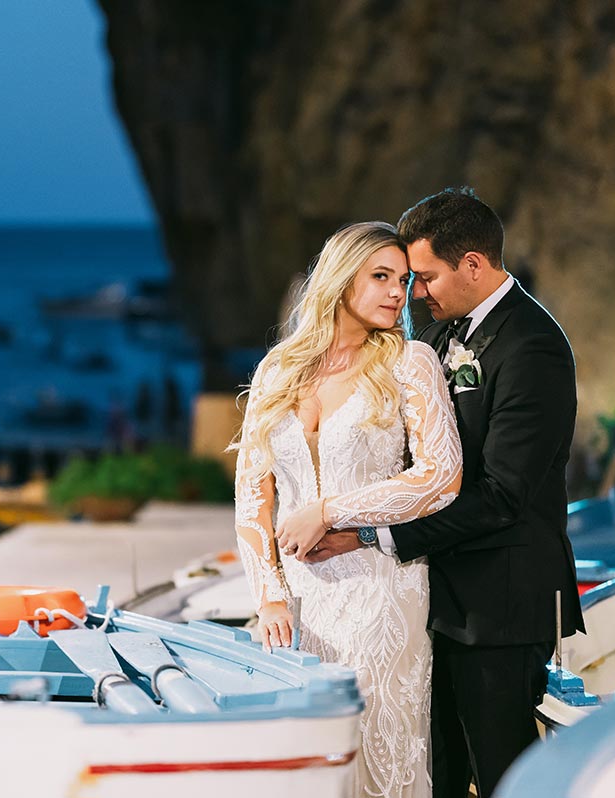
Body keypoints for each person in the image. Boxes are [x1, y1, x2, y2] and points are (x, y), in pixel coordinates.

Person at [305, 188, 585, 798]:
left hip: (500, 604)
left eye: (425, 277)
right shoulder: (435, 340)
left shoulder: (533, 346)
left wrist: (374, 534)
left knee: (503, 772)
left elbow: (505, 494)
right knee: (441, 775)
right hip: (430, 602)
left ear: (474, 266)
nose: (416, 294)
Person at [233, 221, 463, 798]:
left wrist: (330, 511)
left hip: (381, 592)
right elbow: (252, 500)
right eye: (380, 276)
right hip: (299, 607)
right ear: (339, 281)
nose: (397, 292)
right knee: (310, 765)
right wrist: (269, 596)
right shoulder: (277, 371)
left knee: (379, 756)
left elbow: (441, 477)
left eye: (404, 280)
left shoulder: (409, 363)